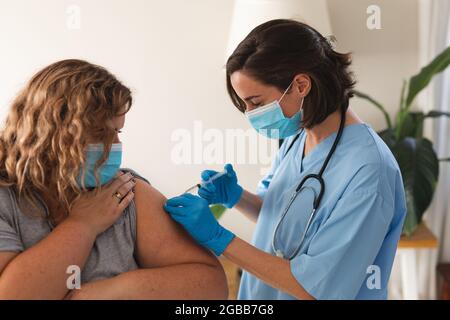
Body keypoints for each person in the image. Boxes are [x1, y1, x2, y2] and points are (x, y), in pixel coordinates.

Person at [164, 19, 407, 300]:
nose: (250, 114)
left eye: (255, 102)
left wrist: (217, 237)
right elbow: (284, 219)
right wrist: (237, 197)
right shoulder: (297, 134)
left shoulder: (369, 173)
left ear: (301, 85)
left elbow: (316, 288)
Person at [0, 59, 227, 299]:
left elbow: (210, 286)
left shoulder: (124, 191)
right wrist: (83, 225)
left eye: (117, 132)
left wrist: (106, 293)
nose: (115, 146)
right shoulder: (6, 199)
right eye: (100, 133)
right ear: (50, 132)